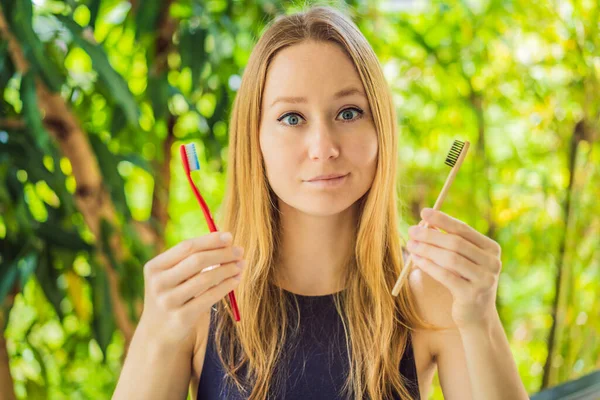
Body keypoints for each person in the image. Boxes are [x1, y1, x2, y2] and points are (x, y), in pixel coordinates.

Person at [113, 5, 529, 400]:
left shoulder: (429, 296)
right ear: (253, 139)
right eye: (292, 118)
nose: (323, 147)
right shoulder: (199, 300)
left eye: (349, 112)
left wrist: (479, 319)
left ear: (380, 128)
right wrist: (156, 329)